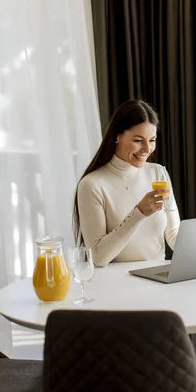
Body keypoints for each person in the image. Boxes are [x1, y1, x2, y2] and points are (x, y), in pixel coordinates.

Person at [73, 99, 180, 267]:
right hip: (116, 284)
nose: (147, 149)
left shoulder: (158, 173)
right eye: (138, 140)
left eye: (152, 140)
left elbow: (173, 234)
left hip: (157, 277)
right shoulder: (92, 184)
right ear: (117, 136)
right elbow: (98, 256)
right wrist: (139, 213)